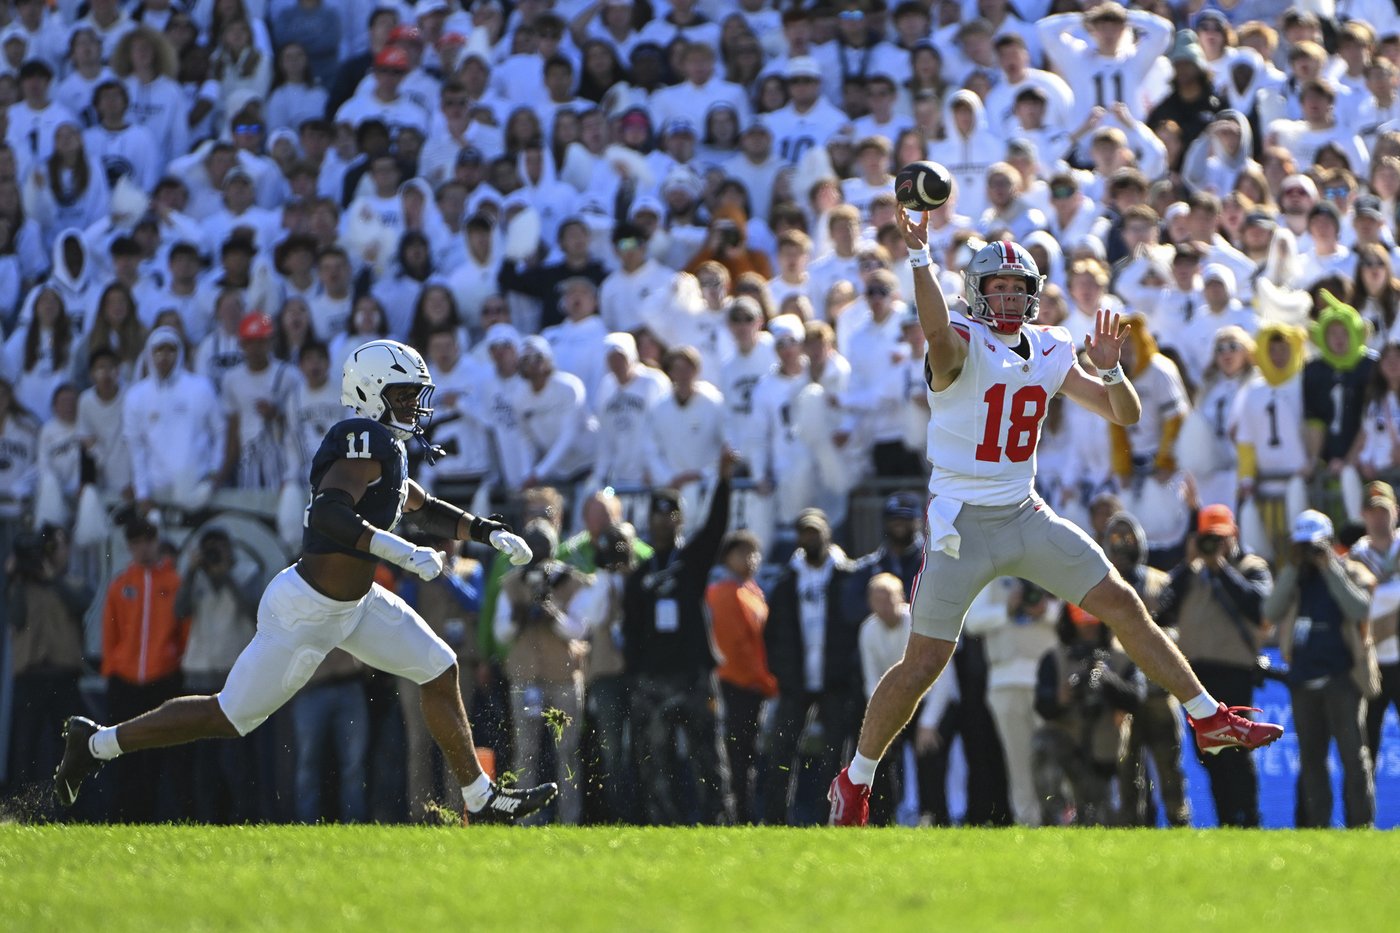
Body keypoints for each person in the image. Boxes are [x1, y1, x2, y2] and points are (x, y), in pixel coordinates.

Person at [828, 215, 1283, 827]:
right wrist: (918, 257)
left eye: (1020, 288)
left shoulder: (1049, 345)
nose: (1011, 298)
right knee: (924, 663)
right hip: (962, 524)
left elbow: (1121, 413)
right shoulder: (957, 340)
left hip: (1022, 511)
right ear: (977, 292)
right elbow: (935, 326)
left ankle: (1207, 717)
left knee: (1123, 602)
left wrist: (1111, 367)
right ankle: (854, 781)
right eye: (1000, 288)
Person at [54, 338, 558, 824]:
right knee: (229, 716)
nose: (413, 406)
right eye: (402, 395)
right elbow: (329, 516)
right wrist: (397, 551)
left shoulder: (388, 450)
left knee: (438, 667)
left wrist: (486, 531)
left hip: (355, 606)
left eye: (413, 395)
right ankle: (97, 742)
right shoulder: (360, 440)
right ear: (370, 392)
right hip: (305, 611)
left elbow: (421, 508)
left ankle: (480, 796)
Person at [1154, 504, 1274, 827]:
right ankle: (1226, 822)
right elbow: (1160, 609)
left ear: (1233, 535)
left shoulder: (1251, 567)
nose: (1215, 545)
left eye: (1221, 537)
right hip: (1196, 676)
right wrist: (1189, 562)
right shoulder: (1189, 574)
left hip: (1234, 671)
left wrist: (1221, 568)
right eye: (1209, 538)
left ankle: (1248, 819)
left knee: (1237, 748)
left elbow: (1260, 606)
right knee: (1209, 752)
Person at [1266, 510, 1378, 828]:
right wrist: (1292, 566)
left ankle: (1361, 826)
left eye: (1314, 545)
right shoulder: (1295, 576)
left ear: (1329, 543)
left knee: (1353, 758)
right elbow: (1270, 610)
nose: (1309, 552)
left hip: (1342, 678)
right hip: (1303, 681)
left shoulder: (1352, 571)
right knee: (1312, 761)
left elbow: (1358, 608)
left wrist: (1330, 567)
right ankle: (1318, 828)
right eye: (1303, 545)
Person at [705, 530, 775, 825]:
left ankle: (743, 811)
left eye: (753, 552)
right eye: (742, 553)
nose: (750, 559)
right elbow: (737, 648)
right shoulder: (725, 592)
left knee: (745, 754)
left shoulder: (751, 590)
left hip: (751, 685)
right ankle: (735, 813)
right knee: (736, 754)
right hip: (734, 683)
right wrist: (766, 681)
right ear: (727, 557)